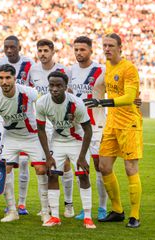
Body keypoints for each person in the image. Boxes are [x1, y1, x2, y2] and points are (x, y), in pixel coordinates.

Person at [84, 33, 143, 228]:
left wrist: (102, 102)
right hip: (112, 123)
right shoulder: (108, 66)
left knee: (130, 168)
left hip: (129, 123)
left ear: (120, 48)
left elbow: (129, 97)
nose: (107, 49)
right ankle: (117, 210)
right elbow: (99, 86)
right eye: (105, 45)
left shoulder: (129, 68)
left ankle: (135, 215)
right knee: (104, 166)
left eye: (111, 46)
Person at [0, 64, 49, 224]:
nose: (4, 82)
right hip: (11, 137)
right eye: (1, 78)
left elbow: (44, 106)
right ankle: (12, 211)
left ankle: (46, 212)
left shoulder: (28, 92)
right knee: (4, 170)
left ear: (15, 78)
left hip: (31, 136)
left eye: (8, 78)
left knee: (41, 169)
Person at [36, 70, 96, 228]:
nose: (54, 88)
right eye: (51, 85)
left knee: (83, 175)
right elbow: (41, 130)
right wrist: (48, 156)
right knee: (53, 175)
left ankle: (88, 217)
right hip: (58, 142)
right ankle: (55, 216)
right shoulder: (42, 102)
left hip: (77, 142)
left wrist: (82, 156)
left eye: (58, 85)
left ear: (65, 87)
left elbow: (88, 130)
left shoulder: (76, 103)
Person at [29, 39, 74, 218]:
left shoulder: (64, 70)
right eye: (39, 51)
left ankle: (68, 204)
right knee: (43, 167)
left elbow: (70, 96)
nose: (42, 54)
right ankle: (46, 206)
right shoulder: (32, 70)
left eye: (45, 50)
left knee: (65, 164)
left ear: (52, 51)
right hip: (40, 123)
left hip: (59, 123)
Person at [68, 36, 108, 220]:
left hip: (97, 126)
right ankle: (86, 207)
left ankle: (102, 207)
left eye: (82, 49)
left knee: (100, 167)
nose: (79, 53)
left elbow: (116, 91)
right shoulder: (71, 70)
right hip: (78, 129)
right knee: (81, 167)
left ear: (91, 51)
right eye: (76, 49)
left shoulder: (101, 70)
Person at [0, 35, 35, 215]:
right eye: (7, 47)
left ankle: (22, 203)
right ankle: (10, 204)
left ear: (19, 47)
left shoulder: (29, 65)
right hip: (6, 120)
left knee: (25, 163)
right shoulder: (0, 63)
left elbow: (34, 89)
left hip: (26, 119)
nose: (9, 50)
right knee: (8, 163)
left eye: (13, 47)